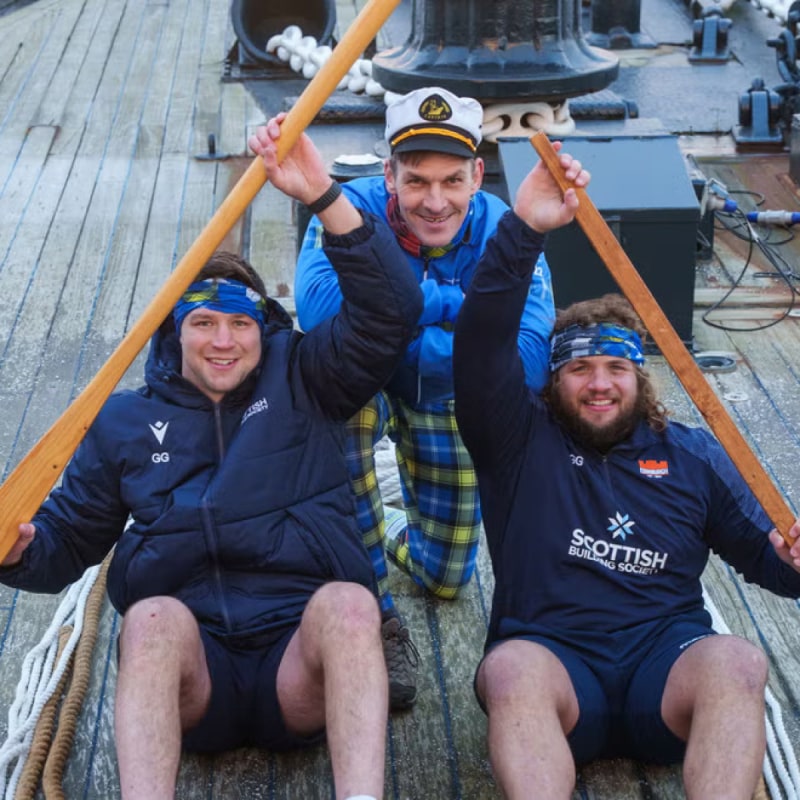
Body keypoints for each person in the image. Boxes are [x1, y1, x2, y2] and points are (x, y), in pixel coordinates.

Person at [0, 114, 423, 800]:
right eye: (203, 322)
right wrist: (17, 552)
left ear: (264, 328)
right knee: (148, 619)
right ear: (175, 333)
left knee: (352, 605)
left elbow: (391, 311)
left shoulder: (308, 378)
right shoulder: (123, 420)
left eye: (240, 323)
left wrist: (319, 192)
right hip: (195, 678)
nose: (223, 341)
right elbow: (67, 543)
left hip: (298, 666)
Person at [452, 147, 800, 798]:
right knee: (510, 672)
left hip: (664, 666)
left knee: (738, 661)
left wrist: (793, 559)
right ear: (554, 382)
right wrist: (524, 229)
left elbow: (767, 560)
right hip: (555, 661)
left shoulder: (693, 454)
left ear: (640, 378)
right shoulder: (515, 438)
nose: (599, 384)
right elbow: (479, 343)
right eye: (578, 369)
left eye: (616, 370)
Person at [294, 86, 556, 709]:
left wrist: (398, 317)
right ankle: (375, 608)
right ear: (389, 174)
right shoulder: (344, 211)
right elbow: (322, 317)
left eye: (452, 181)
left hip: (449, 400)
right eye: (415, 181)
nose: (434, 202)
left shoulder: (503, 227)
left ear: (476, 177)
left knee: (446, 579)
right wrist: (461, 316)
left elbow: (526, 359)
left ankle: (383, 528)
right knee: (343, 411)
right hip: (364, 388)